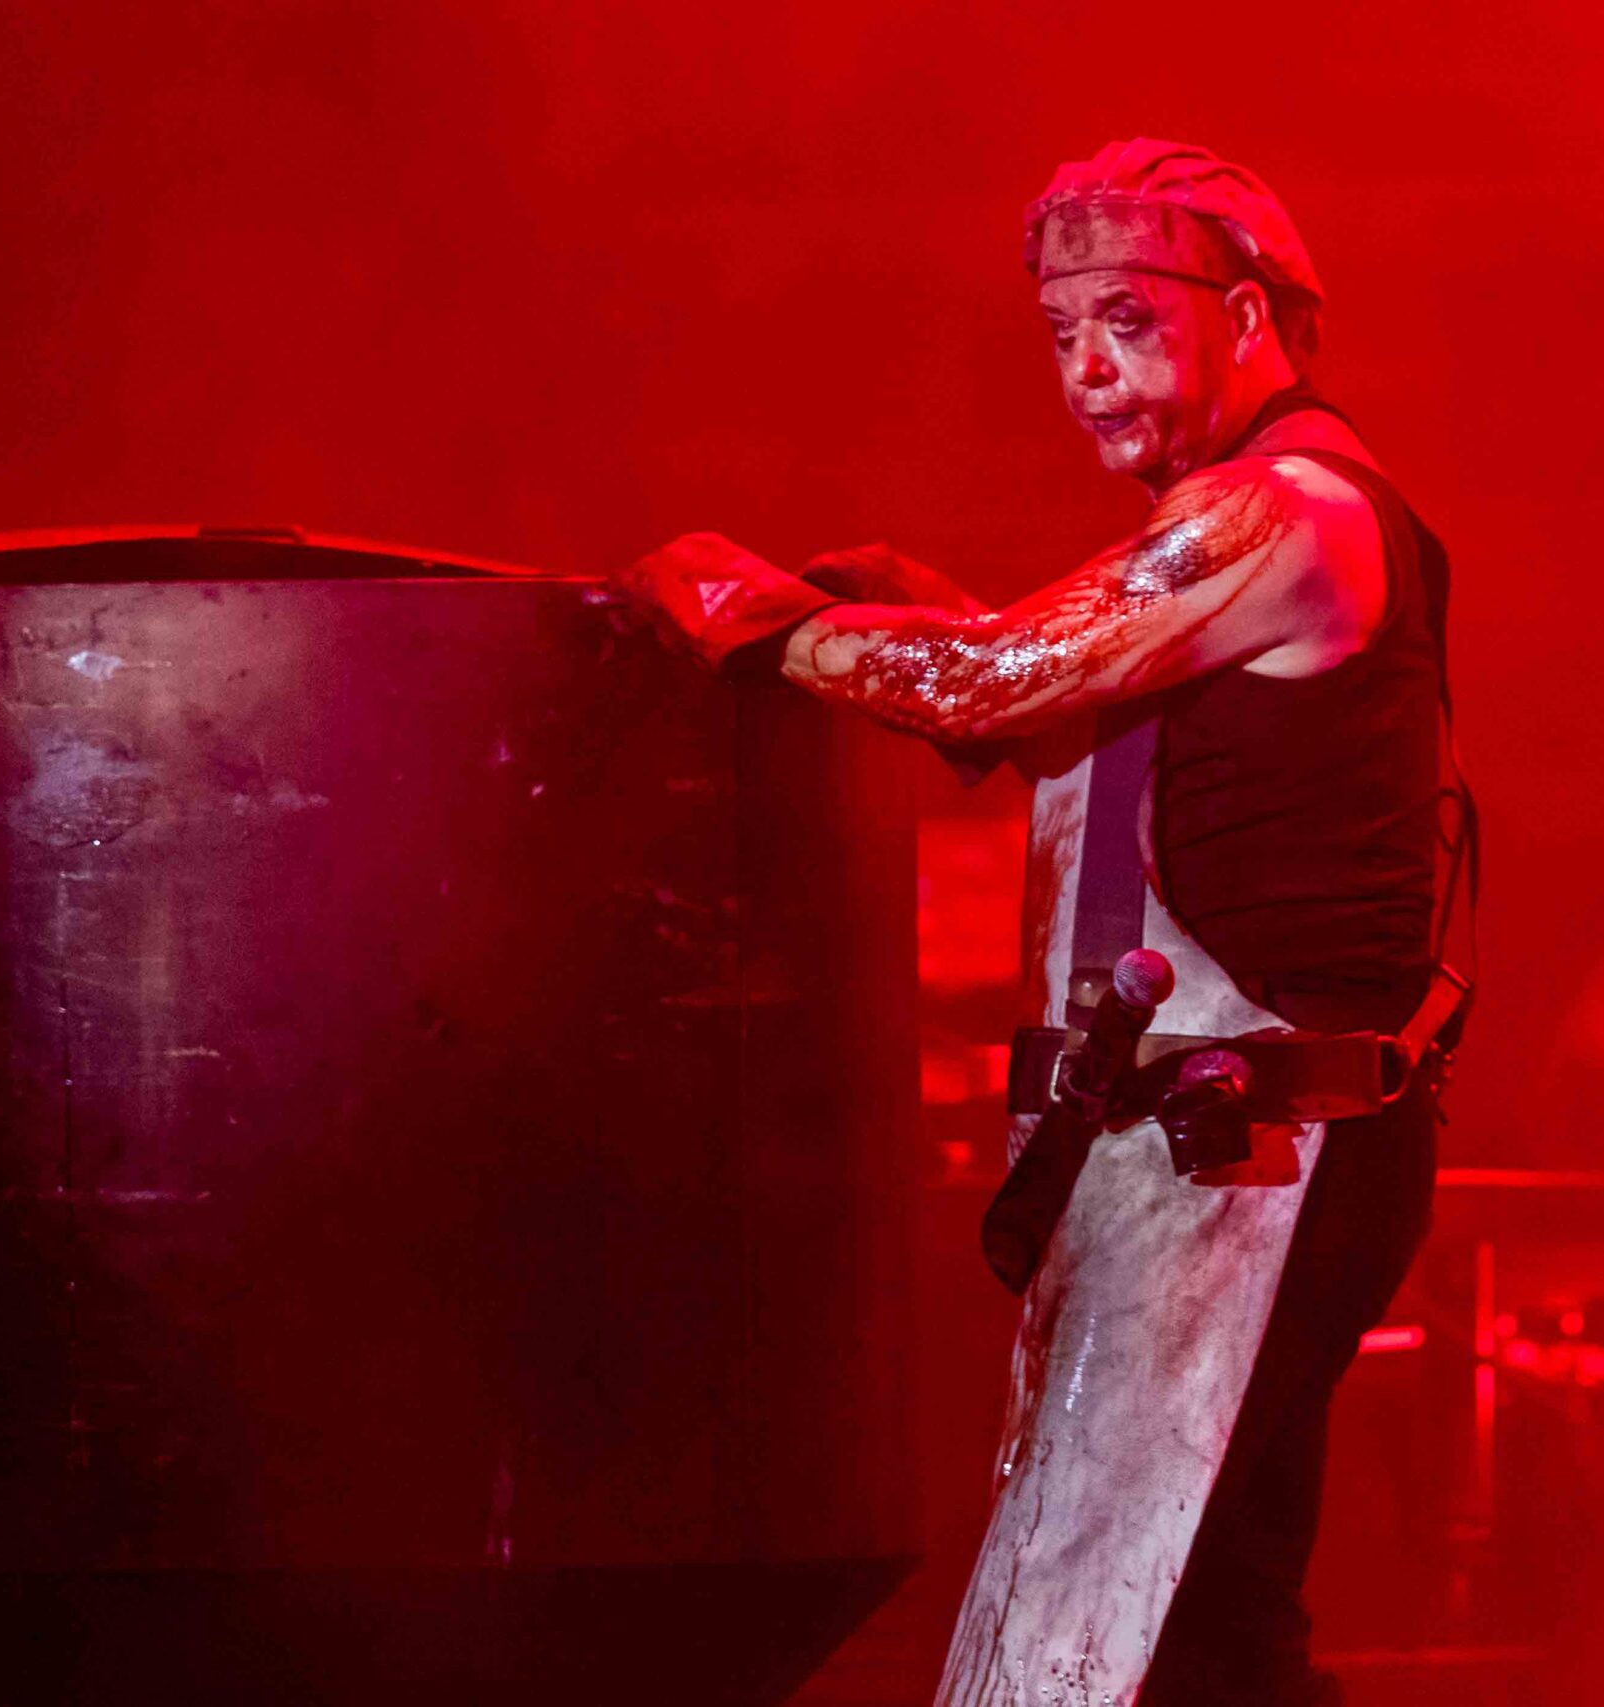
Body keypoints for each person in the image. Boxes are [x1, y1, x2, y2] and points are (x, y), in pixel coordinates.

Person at [610, 138, 1460, 1706]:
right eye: (1062, 333)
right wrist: (918, 613)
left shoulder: (1283, 513)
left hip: (1246, 1160)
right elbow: (1082, 719)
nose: (1086, 371)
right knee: (1203, 1640)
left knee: (1103, 1648)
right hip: (1216, 1156)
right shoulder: (1227, 526)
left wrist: (756, 622)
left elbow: (995, 681)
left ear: (1247, 317)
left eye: (1129, 321)